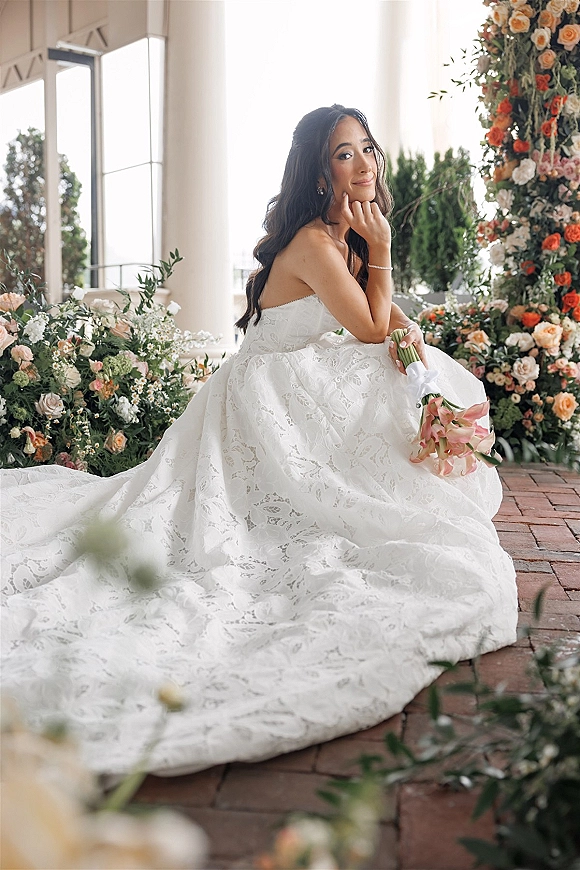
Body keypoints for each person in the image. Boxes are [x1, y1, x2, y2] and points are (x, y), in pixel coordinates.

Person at [1, 105, 517, 777]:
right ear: (320, 173)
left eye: (367, 148)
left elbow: (382, 317)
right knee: (371, 365)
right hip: (263, 396)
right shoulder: (313, 242)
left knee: (400, 362)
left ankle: (386, 490)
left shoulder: (347, 232)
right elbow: (367, 328)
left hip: (294, 382)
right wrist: (386, 258)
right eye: (344, 154)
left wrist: (407, 333)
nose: (364, 163)